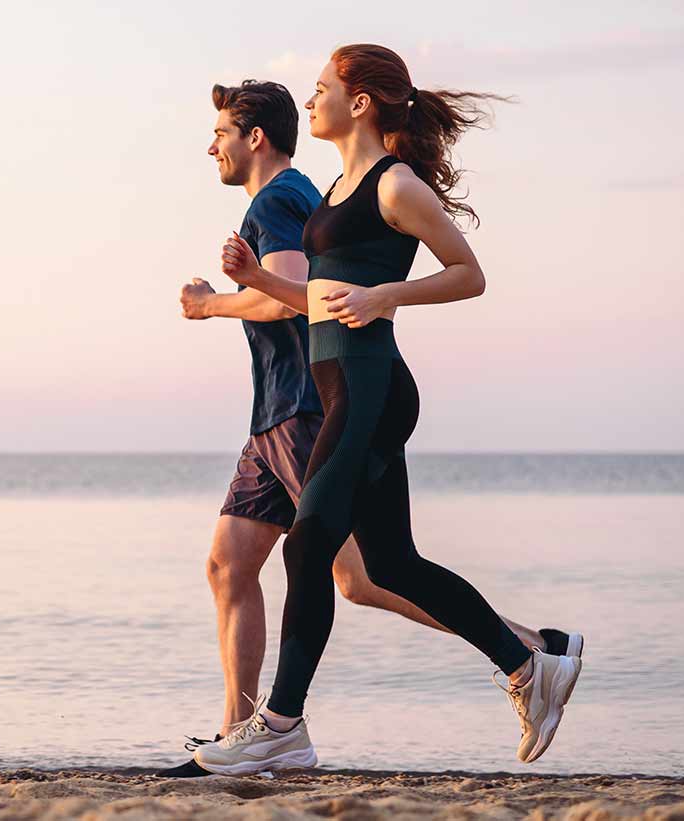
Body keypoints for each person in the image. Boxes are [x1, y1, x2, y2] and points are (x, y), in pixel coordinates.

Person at [163, 78, 581, 778]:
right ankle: (528, 660)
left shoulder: (335, 192)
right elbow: (313, 299)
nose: (312, 97)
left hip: (333, 399)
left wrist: (217, 305)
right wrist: (258, 283)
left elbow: (464, 274)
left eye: (323, 85)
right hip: (301, 401)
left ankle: (278, 727)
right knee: (350, 564)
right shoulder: (327, 194)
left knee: (335, 565)